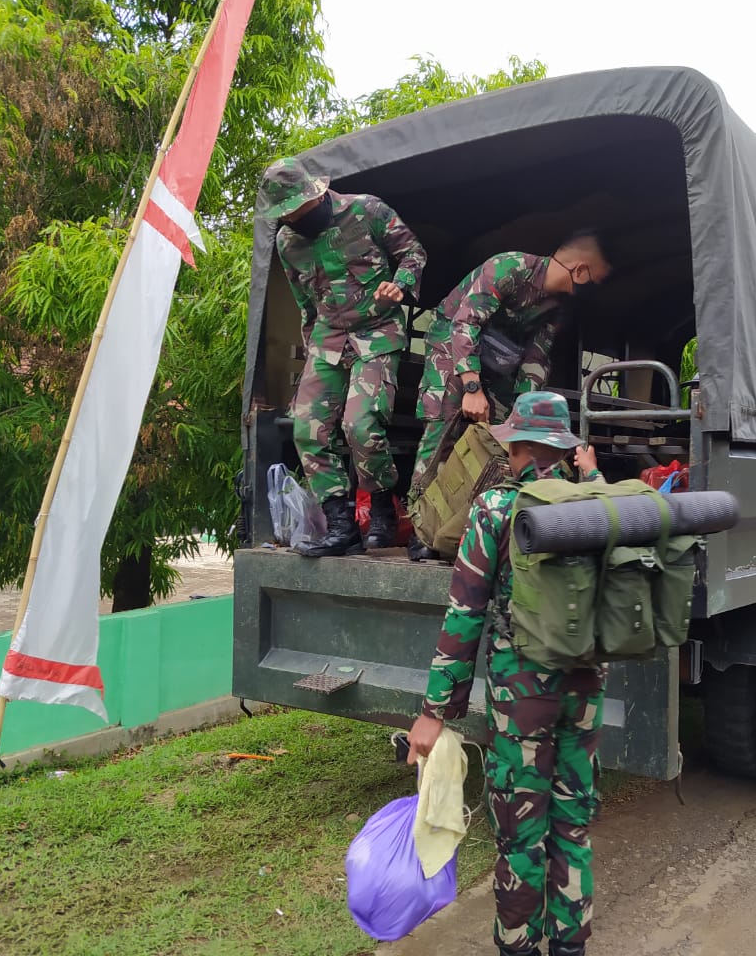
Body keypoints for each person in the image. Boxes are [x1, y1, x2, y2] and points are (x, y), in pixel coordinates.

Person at [407, 392, 605, 956]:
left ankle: (518, 946)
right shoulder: (595, 500)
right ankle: (570, 946)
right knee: (572, 825)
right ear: (564, 446)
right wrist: (592, 473)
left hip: (522, 696)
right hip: (584, 688)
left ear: (516, 443)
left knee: (521, 836)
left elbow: (464, 614)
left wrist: (434, 713)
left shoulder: (496, 507)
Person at [407, 233, 611, 559]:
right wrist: (471, 387)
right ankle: (421, 529)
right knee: (441, 433)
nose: (595, 289)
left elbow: (536, 359)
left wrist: (524, 413)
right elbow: (465, 323)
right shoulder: (510, 267)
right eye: (597, 281)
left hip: (497, 364)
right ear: (581, 270)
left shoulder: (555, 308)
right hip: (452, 346)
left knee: (503, 441)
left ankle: (475, 525)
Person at [262, 157, 427, 555]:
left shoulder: (367, 210)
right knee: (306, 426)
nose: (297, 222)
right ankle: (340, 522)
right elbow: (306, 305)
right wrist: (308, 374)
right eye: (288, 217)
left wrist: (401, 285)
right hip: (327, 336)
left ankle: (384, 502)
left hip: (377, 332)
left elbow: (413, 253)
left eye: (301, 212)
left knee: (361, 424)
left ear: (317, 194)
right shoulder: (287, 244)